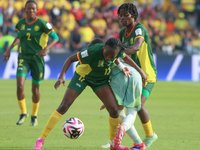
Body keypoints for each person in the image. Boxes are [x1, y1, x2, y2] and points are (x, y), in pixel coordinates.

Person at [33, 37, 144, 150]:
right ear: (104, 48)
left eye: (111, 57)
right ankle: (40, 140)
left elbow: (122, 58)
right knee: (64, 106)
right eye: (106, 54)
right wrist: (61, 76)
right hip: (83, 77)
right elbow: (70, 59)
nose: (107, 58)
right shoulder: (93, 51)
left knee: (114, 110)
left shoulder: (116, 52)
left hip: (100, 81)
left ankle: (113, 145)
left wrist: (126, 68)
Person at [100, 3, 158, 149]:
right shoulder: (121, 33)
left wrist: (120, 53)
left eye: (126, 15)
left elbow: (137, 46)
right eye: (120, 15)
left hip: (146, 74)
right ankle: (113, 139)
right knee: (115, 106)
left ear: (134, 15)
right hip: (130, 75)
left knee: (138, 106)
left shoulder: (139, 28)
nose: (122, 18)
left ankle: (150, 135)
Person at [3, 0, 59, 127]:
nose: (31, 11)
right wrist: (9, 49)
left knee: (35, 90)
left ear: (36, 10)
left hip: (37, 59)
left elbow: (56, 38)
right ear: (25, 9)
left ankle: (34, 115)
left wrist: (46, 49)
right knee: (19, 85)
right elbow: (19, 37)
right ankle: (23, 113)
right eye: (29, 9)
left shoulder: (43, 24)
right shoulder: (21, 23)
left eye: (33, 9)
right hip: (23, 57)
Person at [89, 39, 147, 150]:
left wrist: (107, 100)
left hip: (119, 77)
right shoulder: (115, 53)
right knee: (132, 112)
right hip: (134, 75)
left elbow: (104, 82)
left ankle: (123, 128)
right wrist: (140, 71)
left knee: (119, 113)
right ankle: (139, 144)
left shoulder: (101, 58)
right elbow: (126, 57)